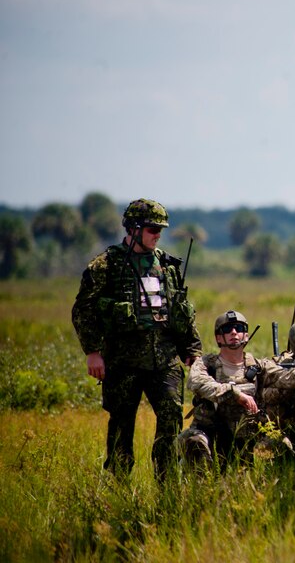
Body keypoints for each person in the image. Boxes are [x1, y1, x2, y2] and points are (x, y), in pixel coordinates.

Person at [72, 198, 201, 481]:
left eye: (161, 229)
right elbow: (83, 309)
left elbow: (181, 310)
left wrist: (191, 349)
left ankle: (167, 487)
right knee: (121, 426)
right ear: (133, 227)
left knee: (171, 420)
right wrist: (92, 352)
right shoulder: (105, 265)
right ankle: (119, 489)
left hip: (164, 361)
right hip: (122, 362)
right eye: (153, 228)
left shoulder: (167, 266)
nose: (158, 234)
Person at [179, 310, 295, 470]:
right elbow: (197, 382)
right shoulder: (207, 363)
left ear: (246, 336)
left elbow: (284, 376)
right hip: (212, 433)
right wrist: (235, 394)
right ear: (219, 338)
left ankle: (273, 485)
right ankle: (199, 489)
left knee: (282, 444)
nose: (234, 332)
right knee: (192, 441)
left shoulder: (257, 365)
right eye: (227, 329)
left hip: (247, 437)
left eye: (239, 328)